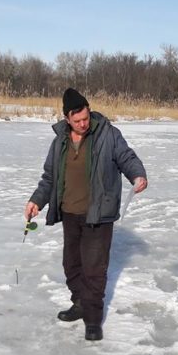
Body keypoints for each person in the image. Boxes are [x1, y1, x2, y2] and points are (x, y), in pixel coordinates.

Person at [24, 88, 148, 341]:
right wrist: (37, 200)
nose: (83, 124)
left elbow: (126, 157)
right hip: (70, 213)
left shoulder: (109, 135)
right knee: (72, 264)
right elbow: (49, 177)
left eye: (86, 118)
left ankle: (93, 319)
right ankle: (79, 303)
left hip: (98, 214)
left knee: (94, 268)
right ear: (67, 118)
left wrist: (138, 174)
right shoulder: (59, 141)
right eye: (77, 120)